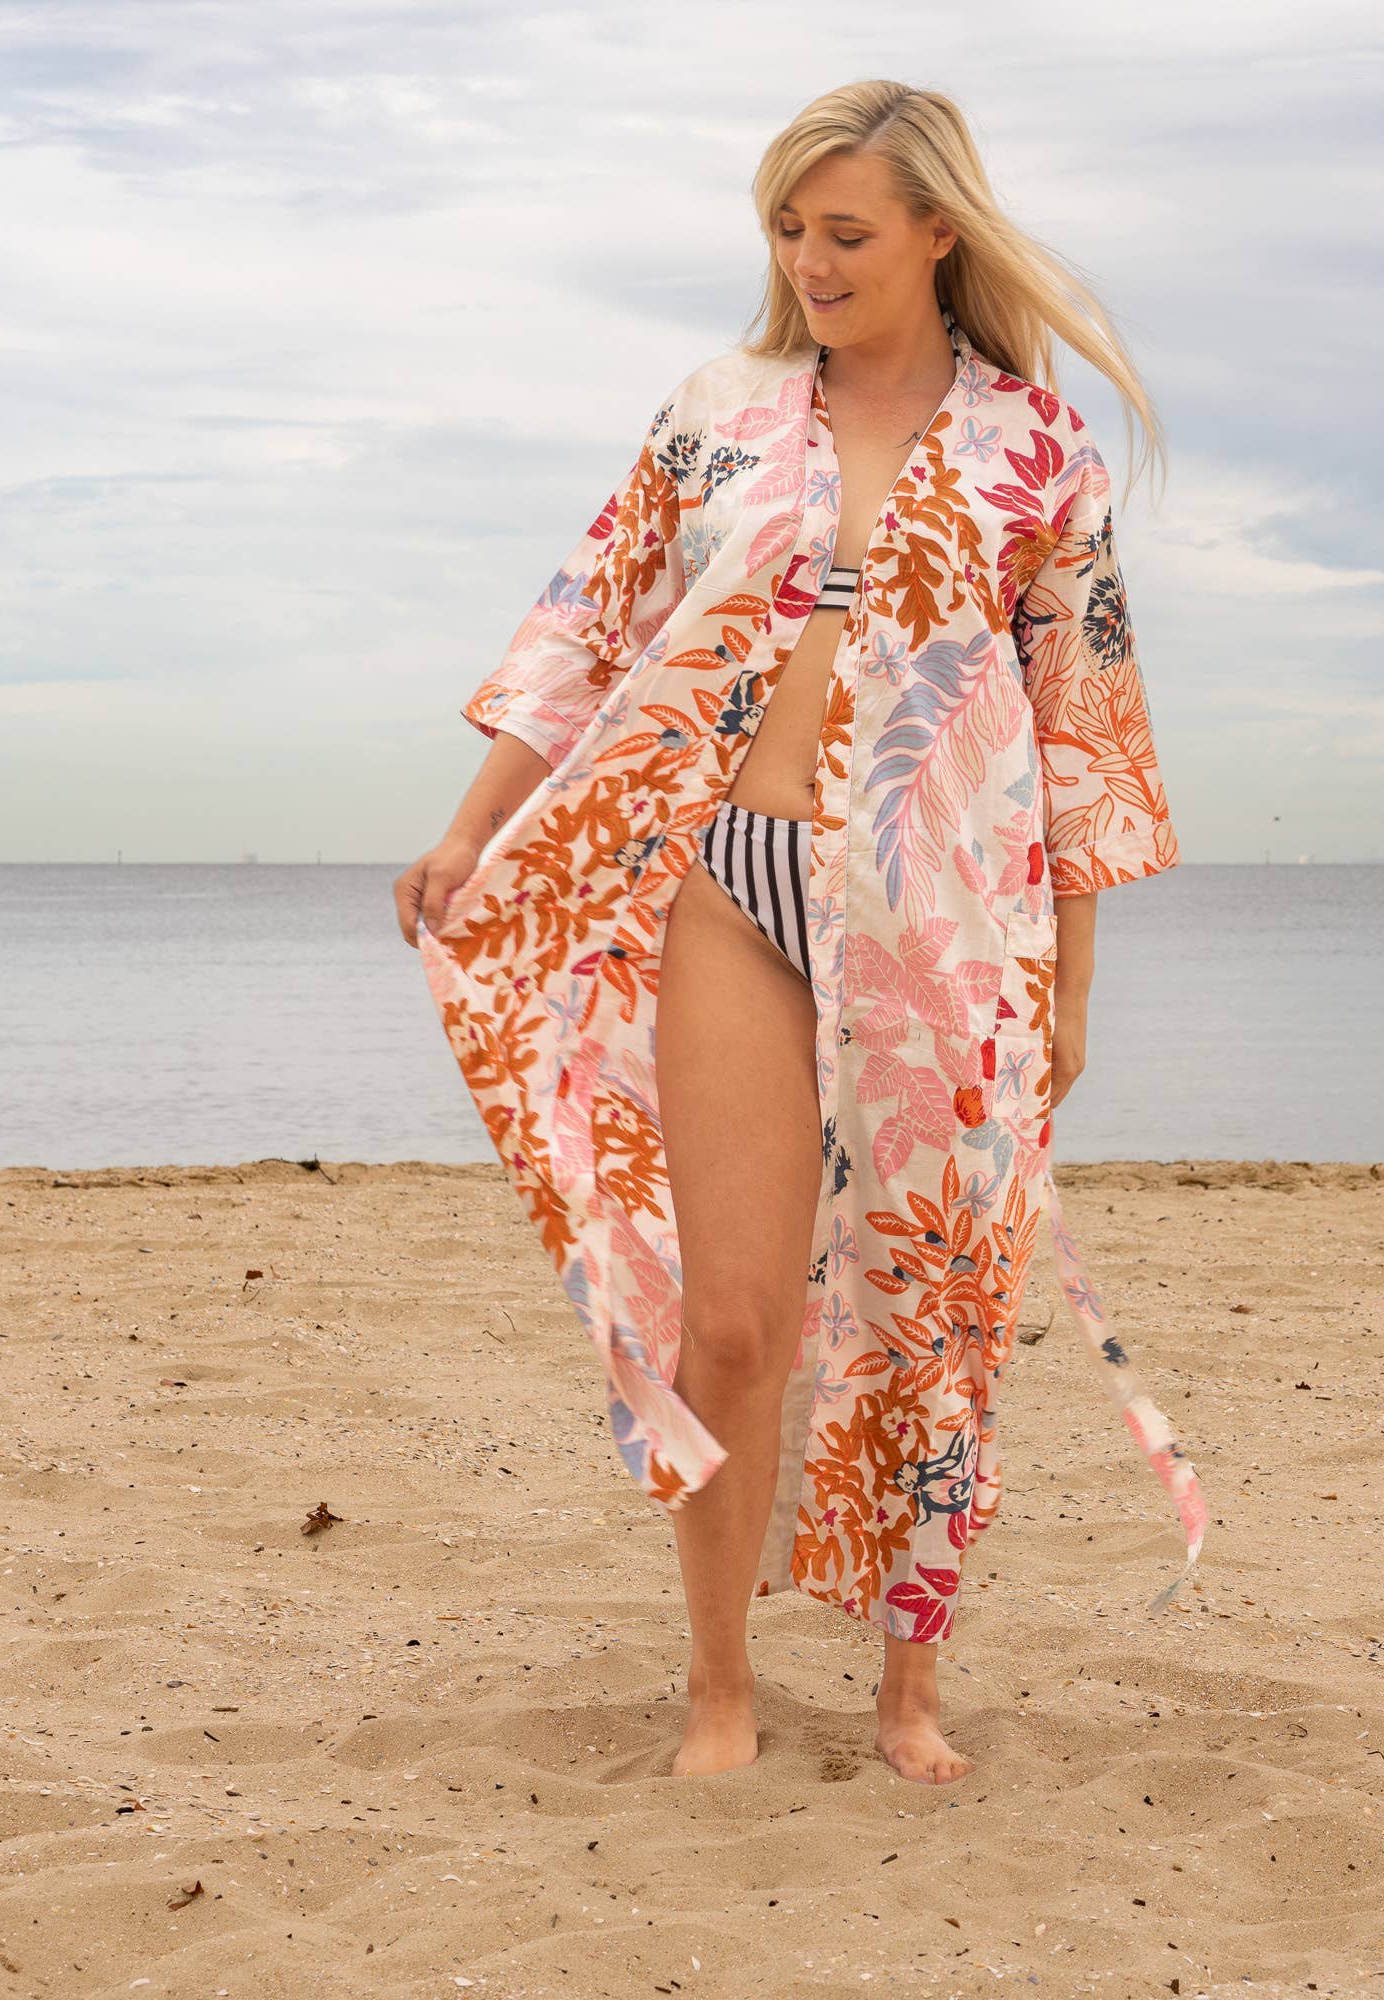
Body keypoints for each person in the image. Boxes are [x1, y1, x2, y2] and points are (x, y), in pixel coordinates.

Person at [393, 79, 1204, 1786]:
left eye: (844, 232)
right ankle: (720, 1689)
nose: (809, 263)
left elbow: (1084, 728)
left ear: (936, 234)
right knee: (735, 1322)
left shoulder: (1037, 449)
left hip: (944, 921)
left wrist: (1070, 984)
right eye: (786, 231)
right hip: (724, 882)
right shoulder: (719, 413)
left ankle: (912, 1691)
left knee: (936, 1306)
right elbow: (591, 619)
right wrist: (472, 828)